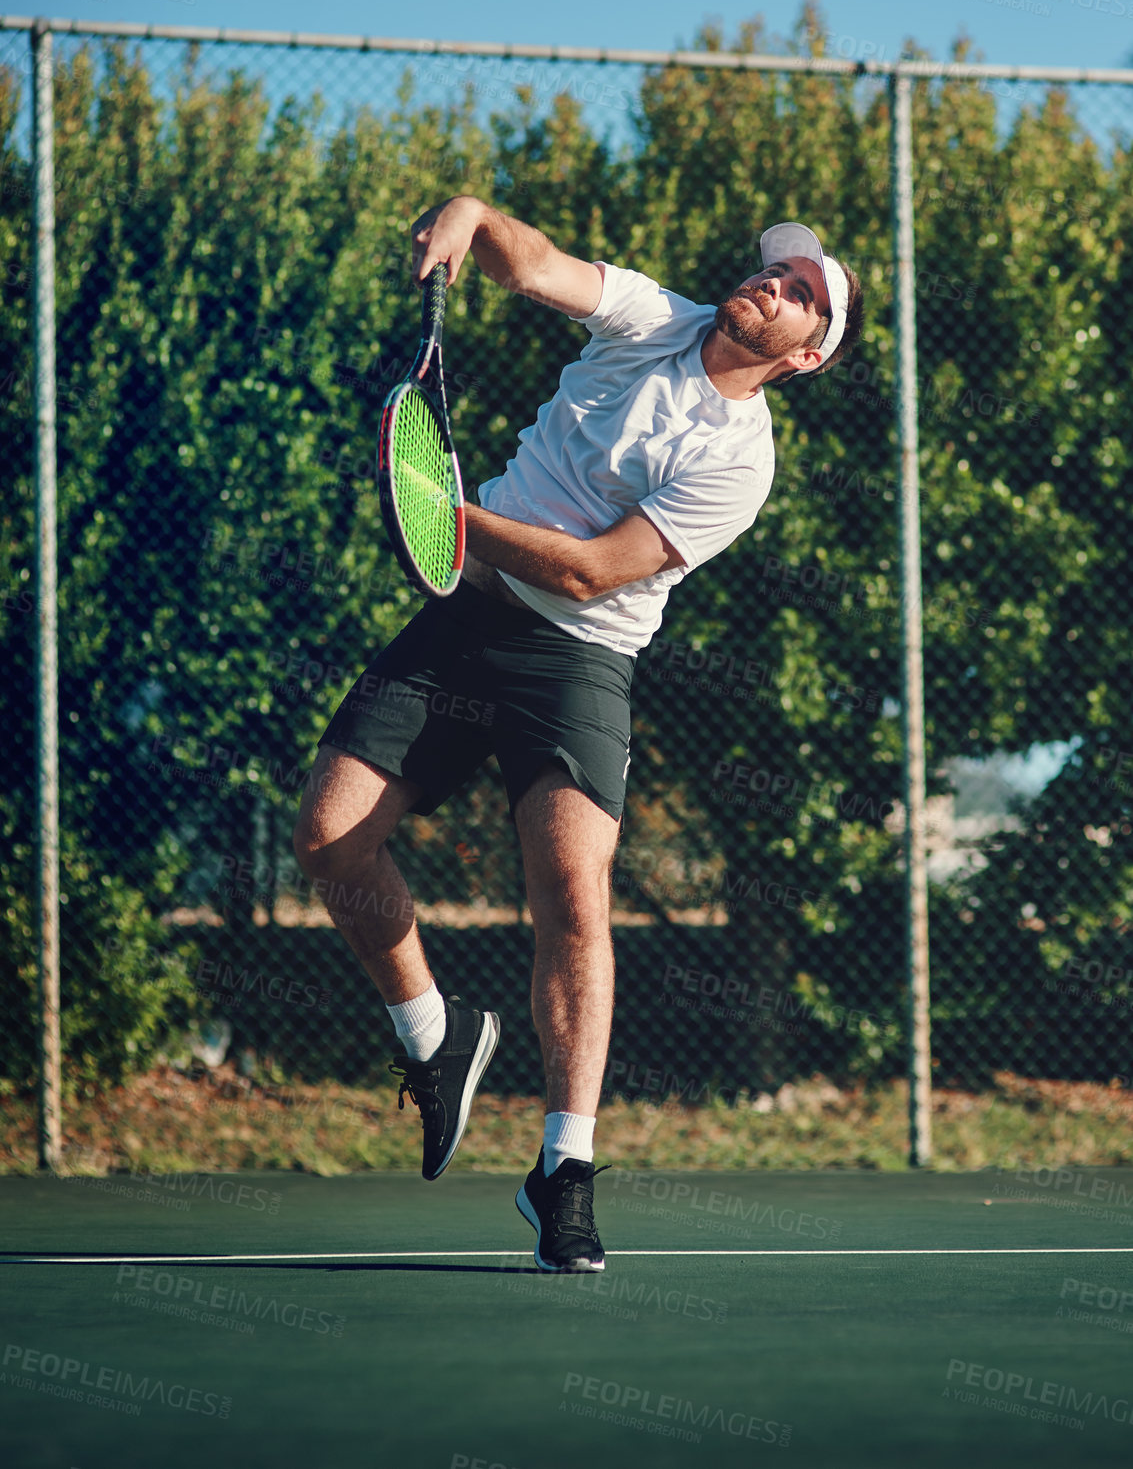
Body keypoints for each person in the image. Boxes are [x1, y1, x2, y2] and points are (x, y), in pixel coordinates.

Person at [291, 195, 864, 1272]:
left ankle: (563, 1169)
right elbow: (533, 262)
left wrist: (441, 512)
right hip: (465, 621)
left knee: (570, 891)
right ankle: (436, 1037)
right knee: (327, 838)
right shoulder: (652, 314)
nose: (773, 289)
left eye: (799, 298)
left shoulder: (741, 460)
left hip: (580, 659)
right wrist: (470, 214)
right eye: (776, 274)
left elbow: (588, 569)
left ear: (803, 354)